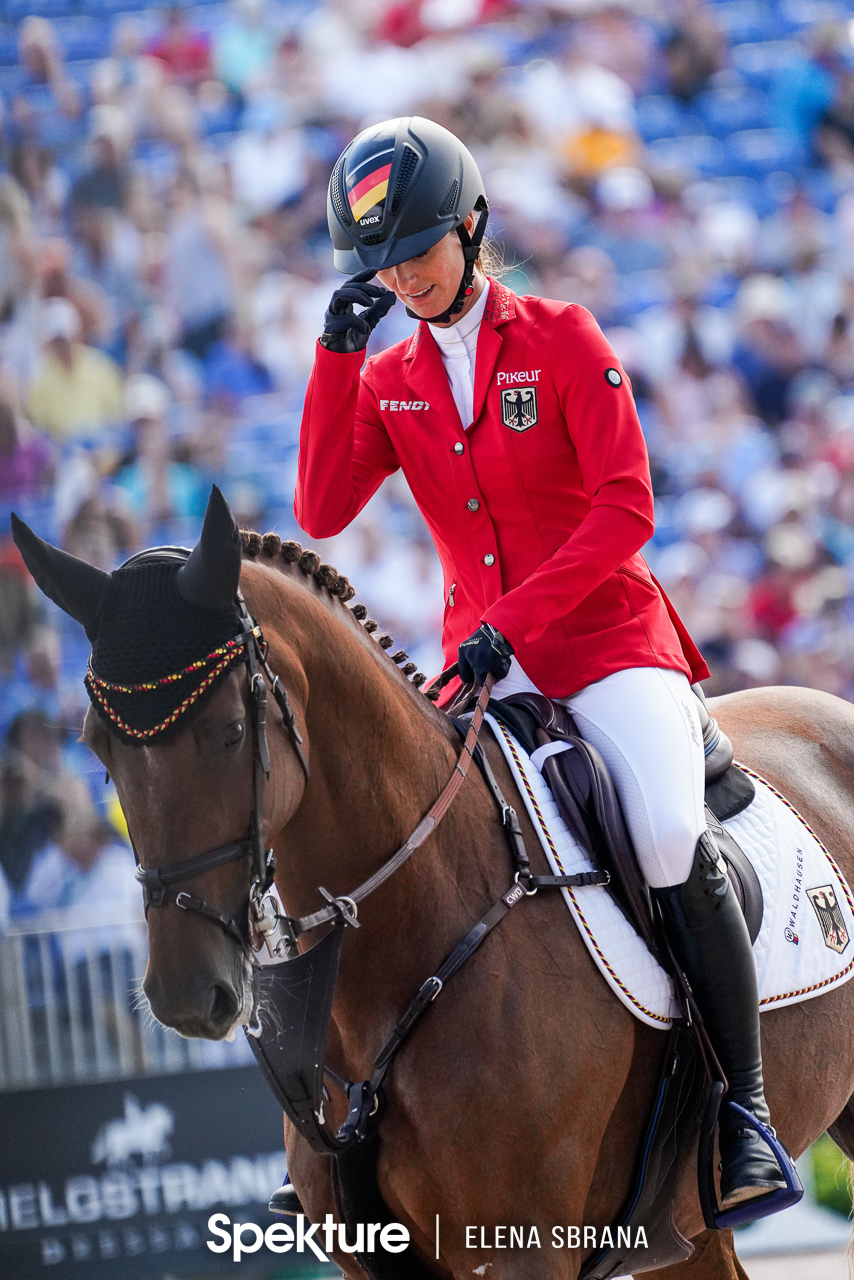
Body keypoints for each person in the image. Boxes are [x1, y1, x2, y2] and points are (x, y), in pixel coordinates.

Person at [294, 116, 791, 1213]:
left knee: (663, 827)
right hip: (481, 667)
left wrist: (510, 625)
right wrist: (335, 358)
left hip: (605, 644)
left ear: (471, 226)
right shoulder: (391, 377)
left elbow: (627, 508)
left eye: (418, 247)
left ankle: (742, 1106)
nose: (403, 276)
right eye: (381, 262)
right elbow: (320, 506)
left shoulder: (562, 337)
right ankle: (347, 1136)